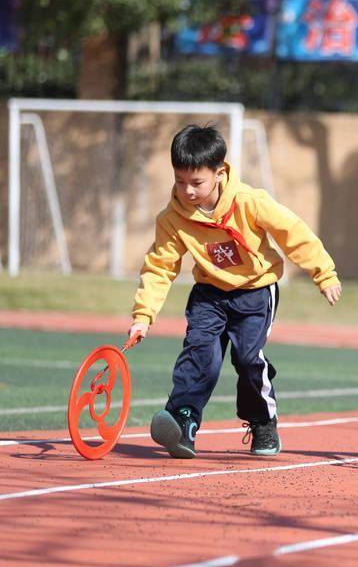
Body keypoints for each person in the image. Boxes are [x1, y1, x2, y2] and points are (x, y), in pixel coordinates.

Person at [128, 124, 341, 459]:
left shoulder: (249, 202)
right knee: (200, 353)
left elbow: (292, 232)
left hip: (255, 292)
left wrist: (323, 273)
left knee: (247, 358)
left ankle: (262, 422)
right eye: (180, 181)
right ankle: (183, 420)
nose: (188, 191)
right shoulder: (172, 218)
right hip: (210, 293)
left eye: (197, 182)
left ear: (219, 172)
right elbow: (159, 267)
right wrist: (143, 315)